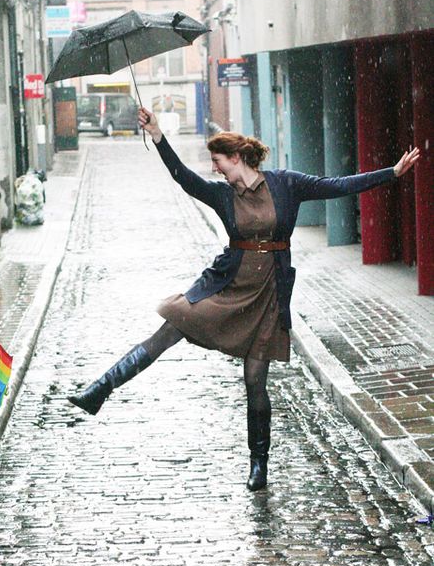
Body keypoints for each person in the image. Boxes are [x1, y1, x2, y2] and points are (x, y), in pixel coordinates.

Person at [68, 107, 420, 491]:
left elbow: (335, 186)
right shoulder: (222, 195)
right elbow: (183, 178)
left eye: (218, 161)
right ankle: (99, 391)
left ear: (236, 158)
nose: (215, 169)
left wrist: (391, 173)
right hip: (227, 285)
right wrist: (158, 135)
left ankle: (259, 465)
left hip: (268, 291)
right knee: (171, 328)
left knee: (255, 379)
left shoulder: (286, 184)